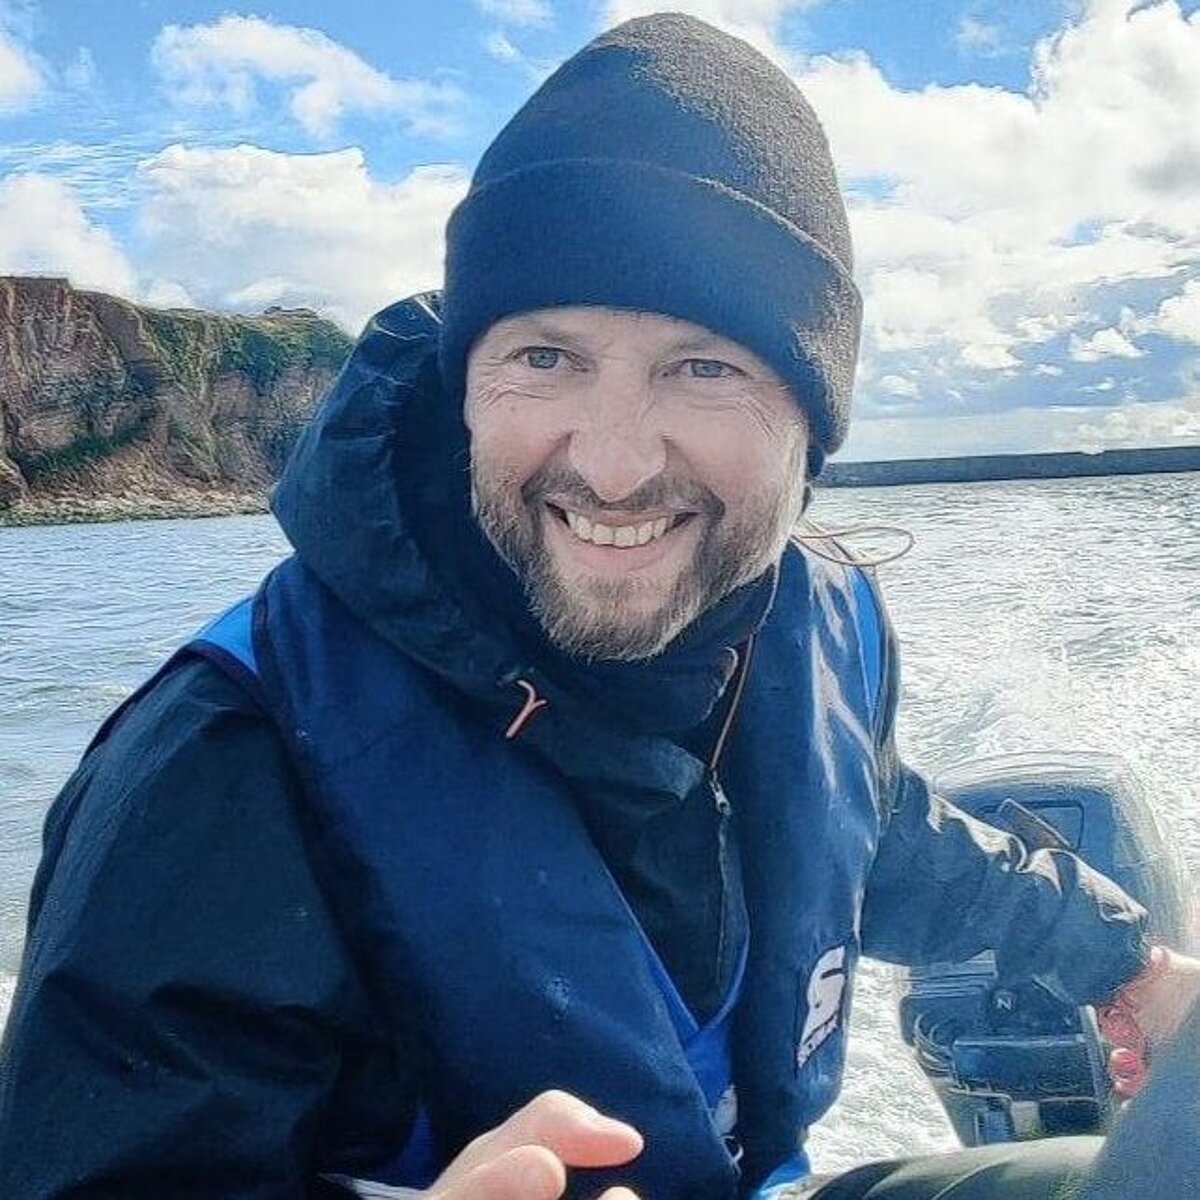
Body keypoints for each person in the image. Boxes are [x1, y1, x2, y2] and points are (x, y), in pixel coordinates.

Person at [0, 14, 1196, 1200]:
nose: (615, 467)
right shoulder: (228, 754)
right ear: (466, 384)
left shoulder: (814, 625)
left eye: (705, 366)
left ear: (814, 419)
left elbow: (874, 834)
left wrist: (1125, 963)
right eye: (546, 357)